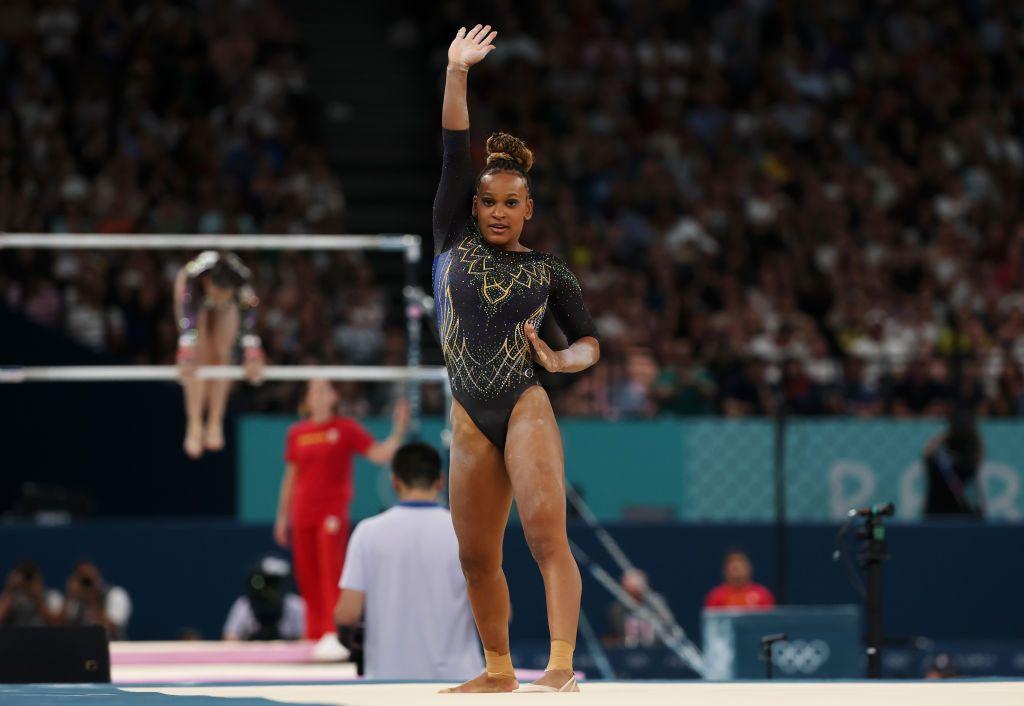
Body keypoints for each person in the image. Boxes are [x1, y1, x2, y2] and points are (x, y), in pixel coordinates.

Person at [432, 25, 601, 693]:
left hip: (525, 402)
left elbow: (589, 341)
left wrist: (561, 365)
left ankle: (559, 667)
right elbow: (452, 150)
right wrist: (456, 72)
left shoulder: (551, 272)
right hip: (469, 410)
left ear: (528, 210)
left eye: (511, 204)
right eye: (488, 202)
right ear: (471, 206)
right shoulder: (448, 237)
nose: (498, 212)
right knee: (476, 556)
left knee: (544, 538)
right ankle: (499, 670)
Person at [274, 379, 408, 661]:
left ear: (334, 396)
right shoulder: (297, 433)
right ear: (307, 400)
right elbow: (290, 476)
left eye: (325, 390)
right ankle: (314, 634)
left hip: (330, 513)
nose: (319, 395)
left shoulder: (345, 429)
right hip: (302, 512)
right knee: (307, 574)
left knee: (330, 571)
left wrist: (398, 431)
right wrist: (282, 516)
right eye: (314, 391)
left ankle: (333, 633)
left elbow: (380, 455)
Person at [335, 442, 484, 681]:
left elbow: (346, 615)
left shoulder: (367, 533)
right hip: (459, 681)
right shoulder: (466, 533)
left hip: (388, 681)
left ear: (394, 482)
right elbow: (500, 613)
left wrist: (352, 645)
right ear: (440, 481)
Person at [174, 251, 265, 459]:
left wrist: (253, 355)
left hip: (229, 303)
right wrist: (185, 353)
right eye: (216, 295)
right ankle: (194, 424)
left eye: (224, 295)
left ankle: (215, 422)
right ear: (208, 283)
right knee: (199, 354)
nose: (218, 300)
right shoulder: (192, 284)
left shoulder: (243, 285)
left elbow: (249, 326)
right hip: (193, 299)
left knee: (223, 354)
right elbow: (188, 330)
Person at [223, 555, 305, 641]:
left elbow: (306, 640)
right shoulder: (244, 605)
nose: (270, 589)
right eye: (267, 582)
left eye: (274, 583)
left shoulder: (295, 605)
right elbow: (230, 640)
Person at [924, 410, 984, 517]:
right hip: (954, 515)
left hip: (938, 515)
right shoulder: (968, 464)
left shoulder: (939, 461)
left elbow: (927, 454)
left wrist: (946, 434)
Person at [606, 569, 680, 648]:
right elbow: (615, 636)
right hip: (628, 652)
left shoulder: (656, 604)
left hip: (657, 650)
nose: (633, 598)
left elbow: (670, 625)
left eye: (637, 593)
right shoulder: (616, 610)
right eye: (631, 593)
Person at [58, 560, 132, 639]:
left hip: (112, 648)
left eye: (88, 580)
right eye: (82, 580)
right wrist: (69, 596)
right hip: (81, 648)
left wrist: (92, 599)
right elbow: (60, 628)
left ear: (98, 577)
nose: (86, 585)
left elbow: (112, 628)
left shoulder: (116, 595)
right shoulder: (74, 600)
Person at [704, 549, 776, 611]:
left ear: (749, 568)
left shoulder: (763, 595)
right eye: (734, 568)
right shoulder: (716, 596)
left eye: (740, 567)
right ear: (725, 571)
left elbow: (769, 623)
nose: (737, 573)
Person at [0, 560, 63, 627]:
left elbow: (56, 624)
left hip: (44, 636)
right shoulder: (11, 598)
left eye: (30, 578)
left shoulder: (52, 596)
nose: (27, 583)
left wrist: (37, 598)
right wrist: (9, 589)